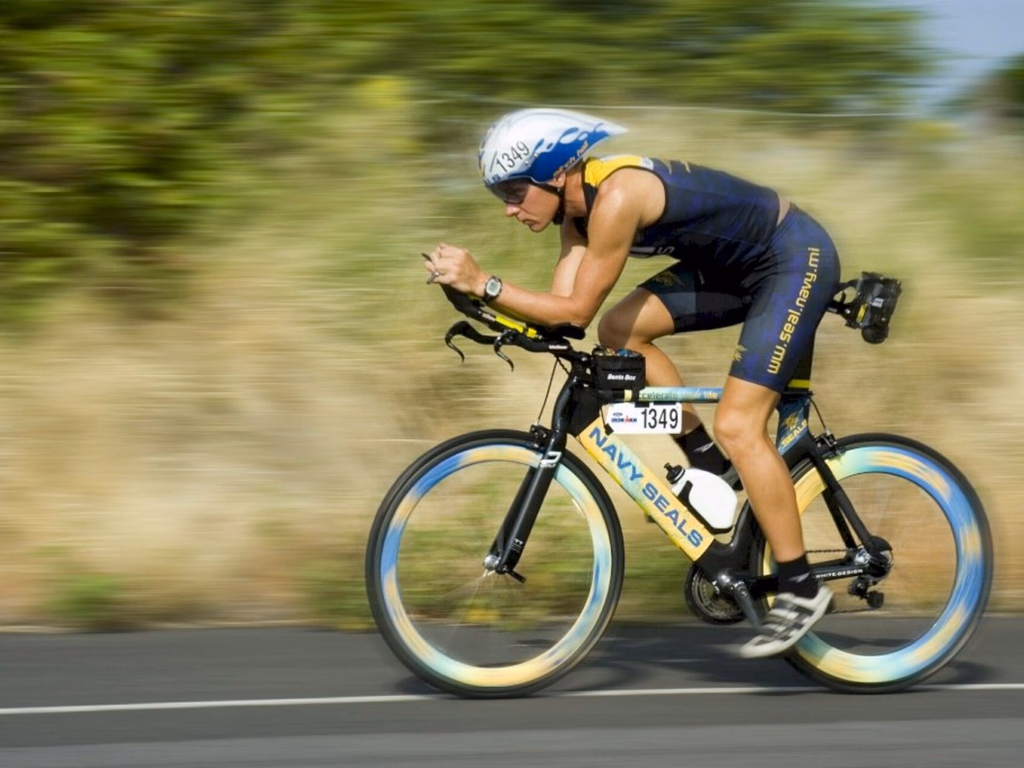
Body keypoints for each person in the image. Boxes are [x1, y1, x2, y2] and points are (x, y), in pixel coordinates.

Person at [423, 108, 840, 658]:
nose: (508, 208)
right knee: (620, 331)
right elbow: (567, 320)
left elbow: (574, 303)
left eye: (514, 191)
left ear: (553, 174)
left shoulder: (617, 198)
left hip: (791, 259)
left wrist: (486, 281)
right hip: (734, 271)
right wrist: (478, 303)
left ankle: (800, 588)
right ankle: (709, 464)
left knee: (741, 423)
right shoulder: (575, 217)